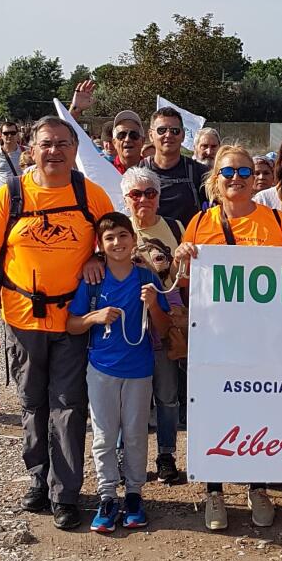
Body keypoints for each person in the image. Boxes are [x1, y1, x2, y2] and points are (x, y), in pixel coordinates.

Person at [0, 115, 116, 531]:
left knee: (68, 407)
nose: (54, 151)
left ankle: (65, 493)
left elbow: (113, 244)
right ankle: (38, 479)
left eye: (62, 144)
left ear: (75, 149)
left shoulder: (91, 195)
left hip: (72, 320)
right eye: (46, 144)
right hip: (21, 319)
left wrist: (97, 257)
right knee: (32, 403)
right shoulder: (10, 195)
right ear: (30, 150)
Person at [173, 144, 282, 531]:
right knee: (215, 410)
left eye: (245, 172)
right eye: (228, 172)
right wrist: (183, 257)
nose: (237, 179)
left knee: (261, 408)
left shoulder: (276, 220)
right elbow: (184, 285)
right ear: (215, 180)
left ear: (256, 178)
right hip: (214, 338)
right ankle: (215, 491)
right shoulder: (200, 223)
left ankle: (258, 486)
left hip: (264, 339)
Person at [66, 212, 171, 533]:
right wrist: (94, 318)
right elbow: (72, 325)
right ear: (100, 244)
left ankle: (135, 494)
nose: (117, 243)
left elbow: (164, 329)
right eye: (109, 238)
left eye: (123, 236)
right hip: (101, 369)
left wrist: (153, 304)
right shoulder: (93, 281)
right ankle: (108, 495)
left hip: (139, 370)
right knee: (104, 436)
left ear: (133, 239)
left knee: (136, 434)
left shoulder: (146, 279)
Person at [120, 167, 186, 485]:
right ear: (125, 198)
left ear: (159, 196)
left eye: (150, 192)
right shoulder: (116, 229)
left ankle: (167, 455)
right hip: (126, 329)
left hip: (165, 323)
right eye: (136, 193)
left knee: (167, 395)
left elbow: (188, 275)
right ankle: (126, 457)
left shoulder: (176, 227)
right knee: (129, 396)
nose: (143, 199)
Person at [141, 107, 211, 222]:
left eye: (175, 131)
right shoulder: (138, 172)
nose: (168, 135)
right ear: (150, 135)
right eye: (161, 130)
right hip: (148, 239)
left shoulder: (200, 173)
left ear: (183, 135)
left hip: (189, 239)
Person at [0, 122, 27, 207]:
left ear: (17, 135)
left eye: (13, 133)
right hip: (1, 201)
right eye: (6, 133)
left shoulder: (26, 152)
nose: (9, 136)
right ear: (1, 135)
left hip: (23, 200)